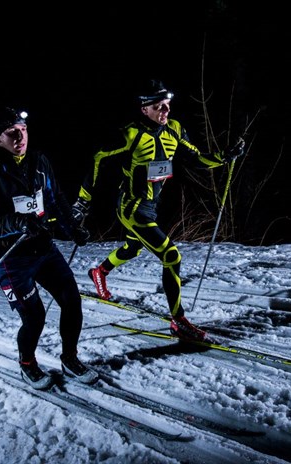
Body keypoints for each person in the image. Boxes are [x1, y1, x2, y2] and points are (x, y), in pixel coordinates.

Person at [72, 79, 245, 342]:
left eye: (167, 106)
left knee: (133, 248)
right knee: (171, 255)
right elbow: (97, 158)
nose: (165, 111)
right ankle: (179, 321)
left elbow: (197, 159)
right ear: (144, 109)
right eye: (158, 107)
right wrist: (82, 201)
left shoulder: (174, 130)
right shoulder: (131, 134)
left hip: (151, 206)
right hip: (132, 209)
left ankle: (100, 272)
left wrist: (225, 156)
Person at [0, 106, 96, 390]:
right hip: (11, 257)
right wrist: (18, 222)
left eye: (23, 129)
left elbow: (54, 198)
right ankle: (27, 364)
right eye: (10, 132)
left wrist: (71, 227)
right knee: (35, 316)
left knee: (72, 300)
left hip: (42, 247)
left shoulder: (38, 160)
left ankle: (70, 358)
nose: (19, 136)